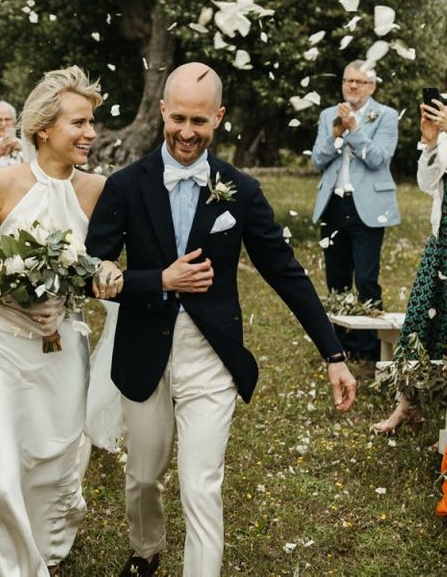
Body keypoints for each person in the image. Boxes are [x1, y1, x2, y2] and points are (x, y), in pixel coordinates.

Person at [85, 62, 357, 577]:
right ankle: (146, 550)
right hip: (143, 348)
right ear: (163, 110)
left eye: (200, 121)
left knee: (201, 484)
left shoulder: (241, 189)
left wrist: (334, 354)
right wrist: (159, 281)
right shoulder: (124, 186)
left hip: (210, 355)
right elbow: (90, 272)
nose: (187, 132)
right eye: (179, 118)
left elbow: (287, 273)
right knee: (143, 475)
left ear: (219, 118)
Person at [0, 66, 121, 576]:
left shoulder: (98, 189)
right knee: (4, 465)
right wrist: (7, 287)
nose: (90, 133)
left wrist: (109, 268)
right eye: (79, 123)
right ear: (44, 129)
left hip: (60, 339)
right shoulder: (0, 183)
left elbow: (107, 260)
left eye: (91, 122)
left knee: (55, 460)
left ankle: (44, 544)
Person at [311, 61, 400, 372]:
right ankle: (338, 348)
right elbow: (318, 159)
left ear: (371, 87)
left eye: (360, 82)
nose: (352, 86)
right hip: (333, 205)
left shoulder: (386, 115)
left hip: (368, 206)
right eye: (348, 80)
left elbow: (379, 158)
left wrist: (355, 130)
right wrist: (336, 133)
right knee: (336, 280)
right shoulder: (327, 115)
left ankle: (367, 351)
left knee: (366, 279)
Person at [373, 94, 447, 433]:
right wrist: (431, 142)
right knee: (419, 324)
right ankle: (407, 406)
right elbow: (427, 183)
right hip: (440, 245)